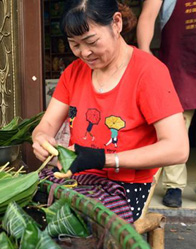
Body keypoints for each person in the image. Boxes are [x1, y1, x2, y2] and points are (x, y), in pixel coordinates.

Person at [32, 0, 188, 221]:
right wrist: (41, 138)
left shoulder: (149, 72)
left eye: (91, 41)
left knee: (72, 224)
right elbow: (47, 125)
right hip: (76, 177)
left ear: (116, 23)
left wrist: (103, 159)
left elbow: (178, 148)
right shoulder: (73, 73)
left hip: (125, 188)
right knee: (26, 207)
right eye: (74, 44)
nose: (84, 53)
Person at [137, 0, 196, 208]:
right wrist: (144, 51)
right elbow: (147, 16)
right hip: (179, 65)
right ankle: (174, 186)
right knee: (176, 125)